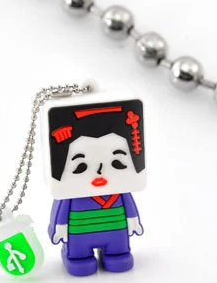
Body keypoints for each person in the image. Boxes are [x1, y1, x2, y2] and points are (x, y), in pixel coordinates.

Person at [46, 99, 146, 276]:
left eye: (116, 163)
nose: (99, 171)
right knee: (79, 256)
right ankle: (78, 257)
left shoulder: (120, 190)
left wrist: (133, 221)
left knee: (118, 250)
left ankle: (117, 253)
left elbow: (130, 208)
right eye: (82, 166)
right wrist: (59, 227)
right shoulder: (70, 192)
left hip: (115, 232)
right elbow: (61, 208)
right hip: (79, 234)